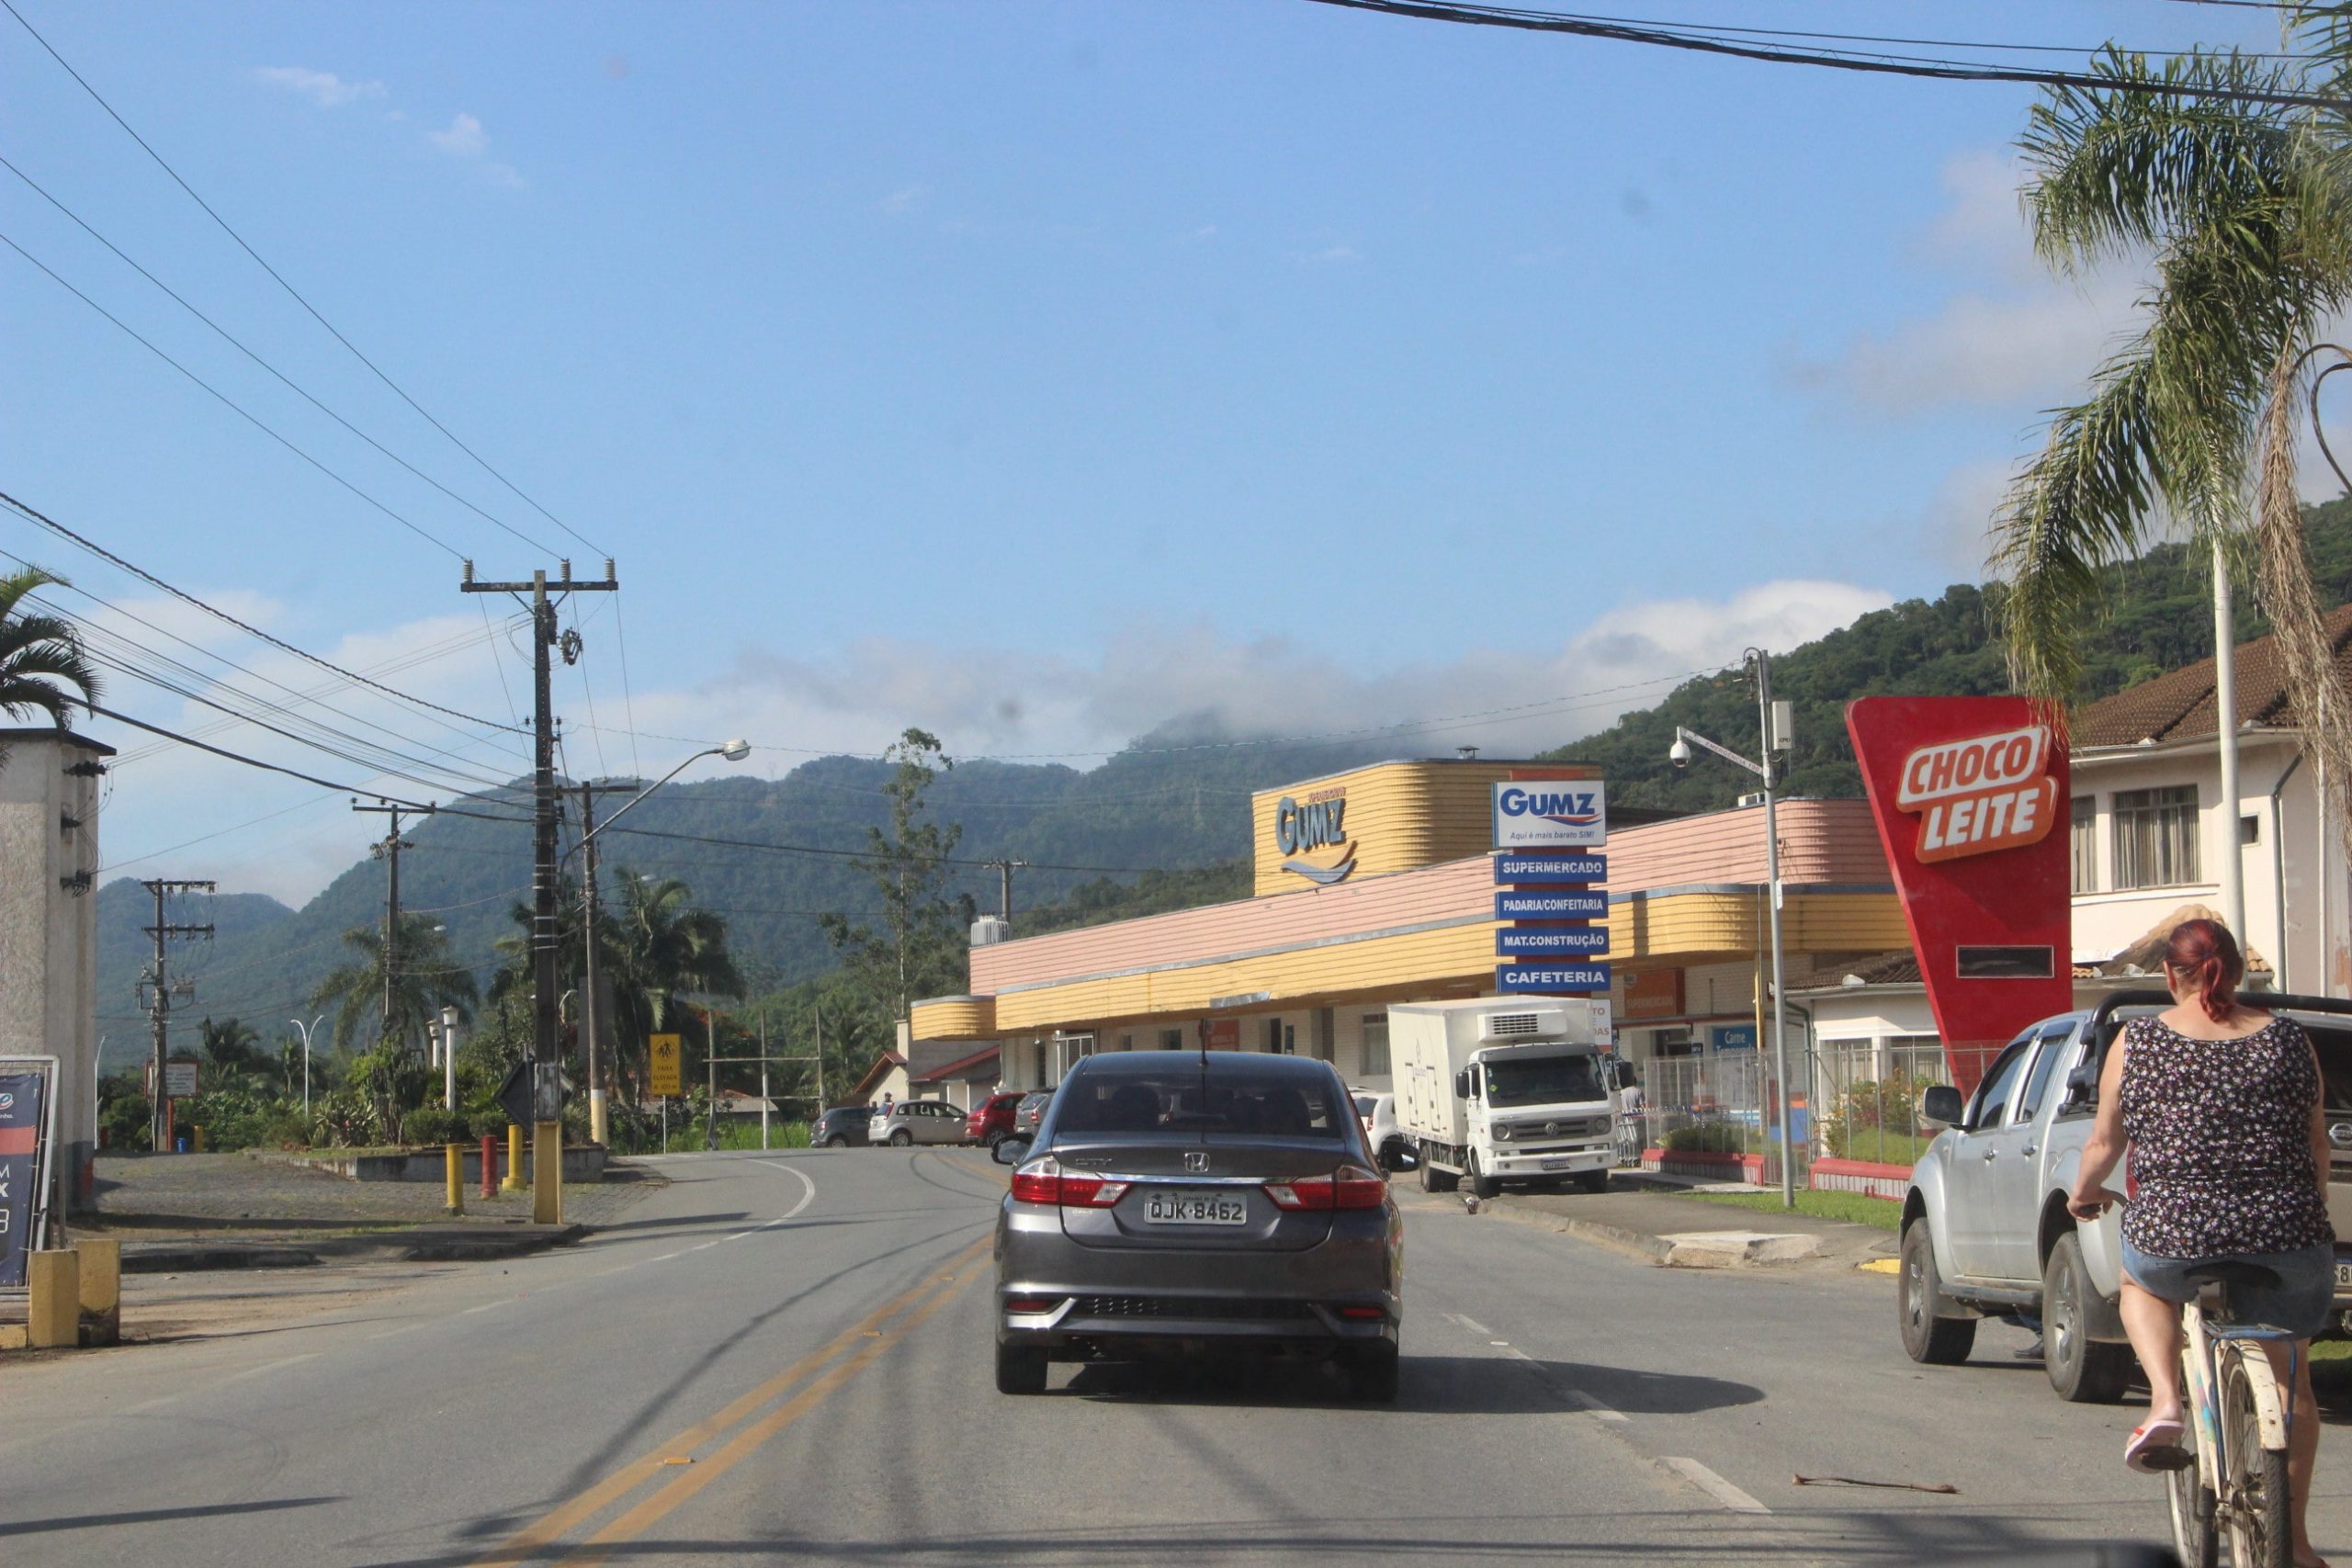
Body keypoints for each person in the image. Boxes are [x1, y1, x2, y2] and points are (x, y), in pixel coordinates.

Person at [2068, 918, 2335, 1568]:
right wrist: (2309, 1214)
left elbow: (2105, 1141)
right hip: (2288, 1238)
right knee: (2290, 1371)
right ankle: (2294, 1544)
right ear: (2240, 971)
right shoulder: (2290, 1039)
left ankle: (2164, 1400)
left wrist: (2082, 1192)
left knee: (2140, 1282)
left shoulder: (2139, 1040)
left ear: (2169, 975)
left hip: (2175, 1236)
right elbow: (2317, 1142)